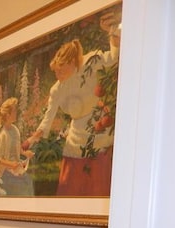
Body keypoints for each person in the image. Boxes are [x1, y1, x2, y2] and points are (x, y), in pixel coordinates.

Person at [27, 13, 120, 196]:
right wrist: (33, 138)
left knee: (99, 189)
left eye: (60, 70)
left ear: (71, 63)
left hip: (99, 137)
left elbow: (114, 58)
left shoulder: (91, 62)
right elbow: (48, 118)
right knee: (71, 191)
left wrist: (112, 31)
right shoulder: (57, 89)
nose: (57, 74)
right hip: (75, 142)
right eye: (55, 71)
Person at [0, 97, 35, 196]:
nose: (16, 113)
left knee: (28, 182)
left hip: (16, 168)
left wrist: (25, 153)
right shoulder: (3, 136)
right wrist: (11, 164)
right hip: (5, 172)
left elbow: (17, 147)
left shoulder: (15, 130)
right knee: (20, 187)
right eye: (14, 111)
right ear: (8, 115)